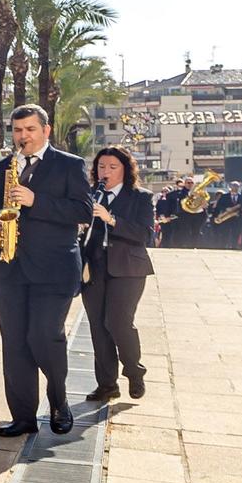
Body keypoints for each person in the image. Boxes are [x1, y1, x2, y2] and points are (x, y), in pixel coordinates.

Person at [0, 105, 94, 437]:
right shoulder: (3, 167)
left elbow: (83, 210)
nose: (23, 136)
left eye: (30, 129)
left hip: (54, 269)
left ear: (46, 130)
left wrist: (35, 200)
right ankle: (23, 417)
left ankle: (59, 402)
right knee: (14, 344)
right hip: (8, 268)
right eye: (17, 130)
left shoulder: (69, 165)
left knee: (44, 336)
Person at [83, 146, 154, 402]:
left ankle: (134, 371)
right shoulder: (90, 196)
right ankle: (107, 384)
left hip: (128, 268)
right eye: (101, 166)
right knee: (97, 327)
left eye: (113, 167)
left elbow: (145, 235)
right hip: (94, 268)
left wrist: (111, 219)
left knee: (118, 322)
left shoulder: (141, 197)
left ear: (126, 169)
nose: (106, 172)